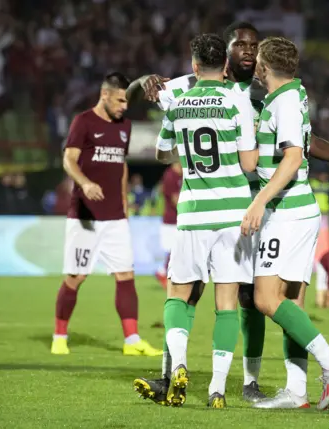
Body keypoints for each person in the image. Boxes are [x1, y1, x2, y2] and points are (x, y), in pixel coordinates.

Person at [129, 22, 329, 405]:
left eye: (253, 45)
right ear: (225, 54)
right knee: (214, 294)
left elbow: (300, 144)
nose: (247, 50)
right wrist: (147, 80)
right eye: (240, 44)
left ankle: (253, 379)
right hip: (250, 210)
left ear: (262, 59)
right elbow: (154, 87)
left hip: (261, 208)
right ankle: (171, 374)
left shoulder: (269, 97)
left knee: (256, 298)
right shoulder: (215, 87)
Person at [240, 36, 329, 411]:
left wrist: (260, 199)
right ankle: (296, 391)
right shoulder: (293, 95)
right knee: (291, 303)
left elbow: (291, 158)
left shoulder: (285, 102)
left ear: (263, 67)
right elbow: (302, 146)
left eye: (257, 60)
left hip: (286, 214)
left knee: (264, 298)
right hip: (298, 212)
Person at [153, 33, 258, 408]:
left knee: (178, 293)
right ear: (226, 66)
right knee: (227, 302)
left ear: (194, 66)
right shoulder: (238, 101)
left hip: (194, 212)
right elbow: (248, 164)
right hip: (235, 215)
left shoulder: (178, 103)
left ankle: (179, 365)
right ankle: (217, 390)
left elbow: (162, 155)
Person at [51, 72, 162, 358]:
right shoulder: (83, 121)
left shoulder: (125, 126)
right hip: (85, 218)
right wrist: (85, 183)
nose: (125, 106)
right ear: (105, 95)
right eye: (120, 100)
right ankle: (60, 335)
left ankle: (132, 339)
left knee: (126, 276)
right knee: (76, 277)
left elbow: (121, 165)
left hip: (115, 217)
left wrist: (123, 202)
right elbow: (69, 159)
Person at [154, 162, 182, 288]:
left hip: (178, 219)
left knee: (176, 249)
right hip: (172, 220)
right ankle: (163, 272)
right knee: (174, 249)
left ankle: (164, 272)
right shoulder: (170, 176)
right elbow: (175, 200)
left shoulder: (183, 173)